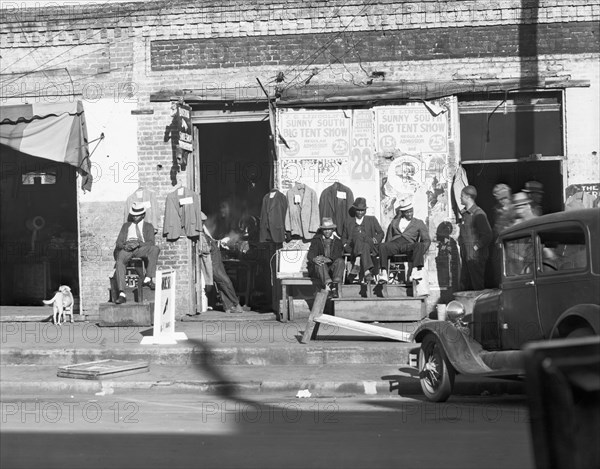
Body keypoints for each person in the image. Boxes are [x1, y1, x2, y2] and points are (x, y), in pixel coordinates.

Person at [200, 211, 248, 314]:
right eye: (202, 222)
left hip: (217, 261)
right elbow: (204, 250)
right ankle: (236, 304)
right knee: (226, 282)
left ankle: (227, 307)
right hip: (212, 263)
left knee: (222, 284)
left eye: (203, 222)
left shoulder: (204, 233)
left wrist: (219, 242)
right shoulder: (200, 235)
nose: (203, 223)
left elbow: (210, 244)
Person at [113, 203, 160, 305]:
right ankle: (122, 294)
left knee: (155, 249)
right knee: (120, 261)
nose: (134, 217)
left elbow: (151, 242)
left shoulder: (148, 226)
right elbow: (118, 243)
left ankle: (148, 278)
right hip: (127, 248)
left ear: (143, 215)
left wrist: (138, 244)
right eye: (133, 215)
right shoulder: (126, 226)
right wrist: (125, 246)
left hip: (140, 248)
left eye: (137, 215)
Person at [378, 199, 431, 284]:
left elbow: (427, 240)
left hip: (409, 244)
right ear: (402, 212)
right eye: (407, 212)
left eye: (411, 211)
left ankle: (415, 272)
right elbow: (389, 237)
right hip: (395, 244)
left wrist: (420, 251)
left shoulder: (418, 223)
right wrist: (387, 248)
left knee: (419, 245)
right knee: (382, 246)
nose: (409, 214)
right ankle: (383, 273)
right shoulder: (395, 222)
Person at [458, 185, 492, 291]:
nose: (460, 198)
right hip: (466, 255)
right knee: (464, 283)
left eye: (462, 196)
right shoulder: (465, 214)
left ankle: (479, 307)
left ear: (468, 197)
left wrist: (476, 247)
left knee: (477, 285)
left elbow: (488, 235)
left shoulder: (478, 213)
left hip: (476, 257)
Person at [342, 197, 384, 284]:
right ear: (354, 210)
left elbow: (380, 233)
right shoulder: (348, 222)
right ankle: (367, 272)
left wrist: (374, 240)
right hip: (352, 247)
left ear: (365, 210)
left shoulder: (372, 219)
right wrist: (345, 245)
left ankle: (357, 262)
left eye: (362, 210)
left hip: (370, 246)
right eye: (358, 210)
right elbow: (344, 237)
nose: (360, 212)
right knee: (359, 239)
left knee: (362, 239)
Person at [307, 217, 345, 298]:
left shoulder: (337, 241)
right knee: (320, 263)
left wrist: (328, 259)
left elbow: (338, 254)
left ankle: (334, 285)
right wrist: (314, 259)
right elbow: (310, 254)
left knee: (340, 261)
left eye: (329, 229)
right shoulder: (316, 240)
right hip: (320, 270)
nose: (327, 231)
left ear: (333, 230)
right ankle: (332, 288)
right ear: (322, 230)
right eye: (325, 229)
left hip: (332, 269)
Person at [491, 184, 515, 286]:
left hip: (513, 247)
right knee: (500, 271)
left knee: (512, 271)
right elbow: (495, 227)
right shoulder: (496, 210)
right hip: (500, 247)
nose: (502, 201)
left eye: (504, 198)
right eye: (500, 199)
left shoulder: (514, 209)